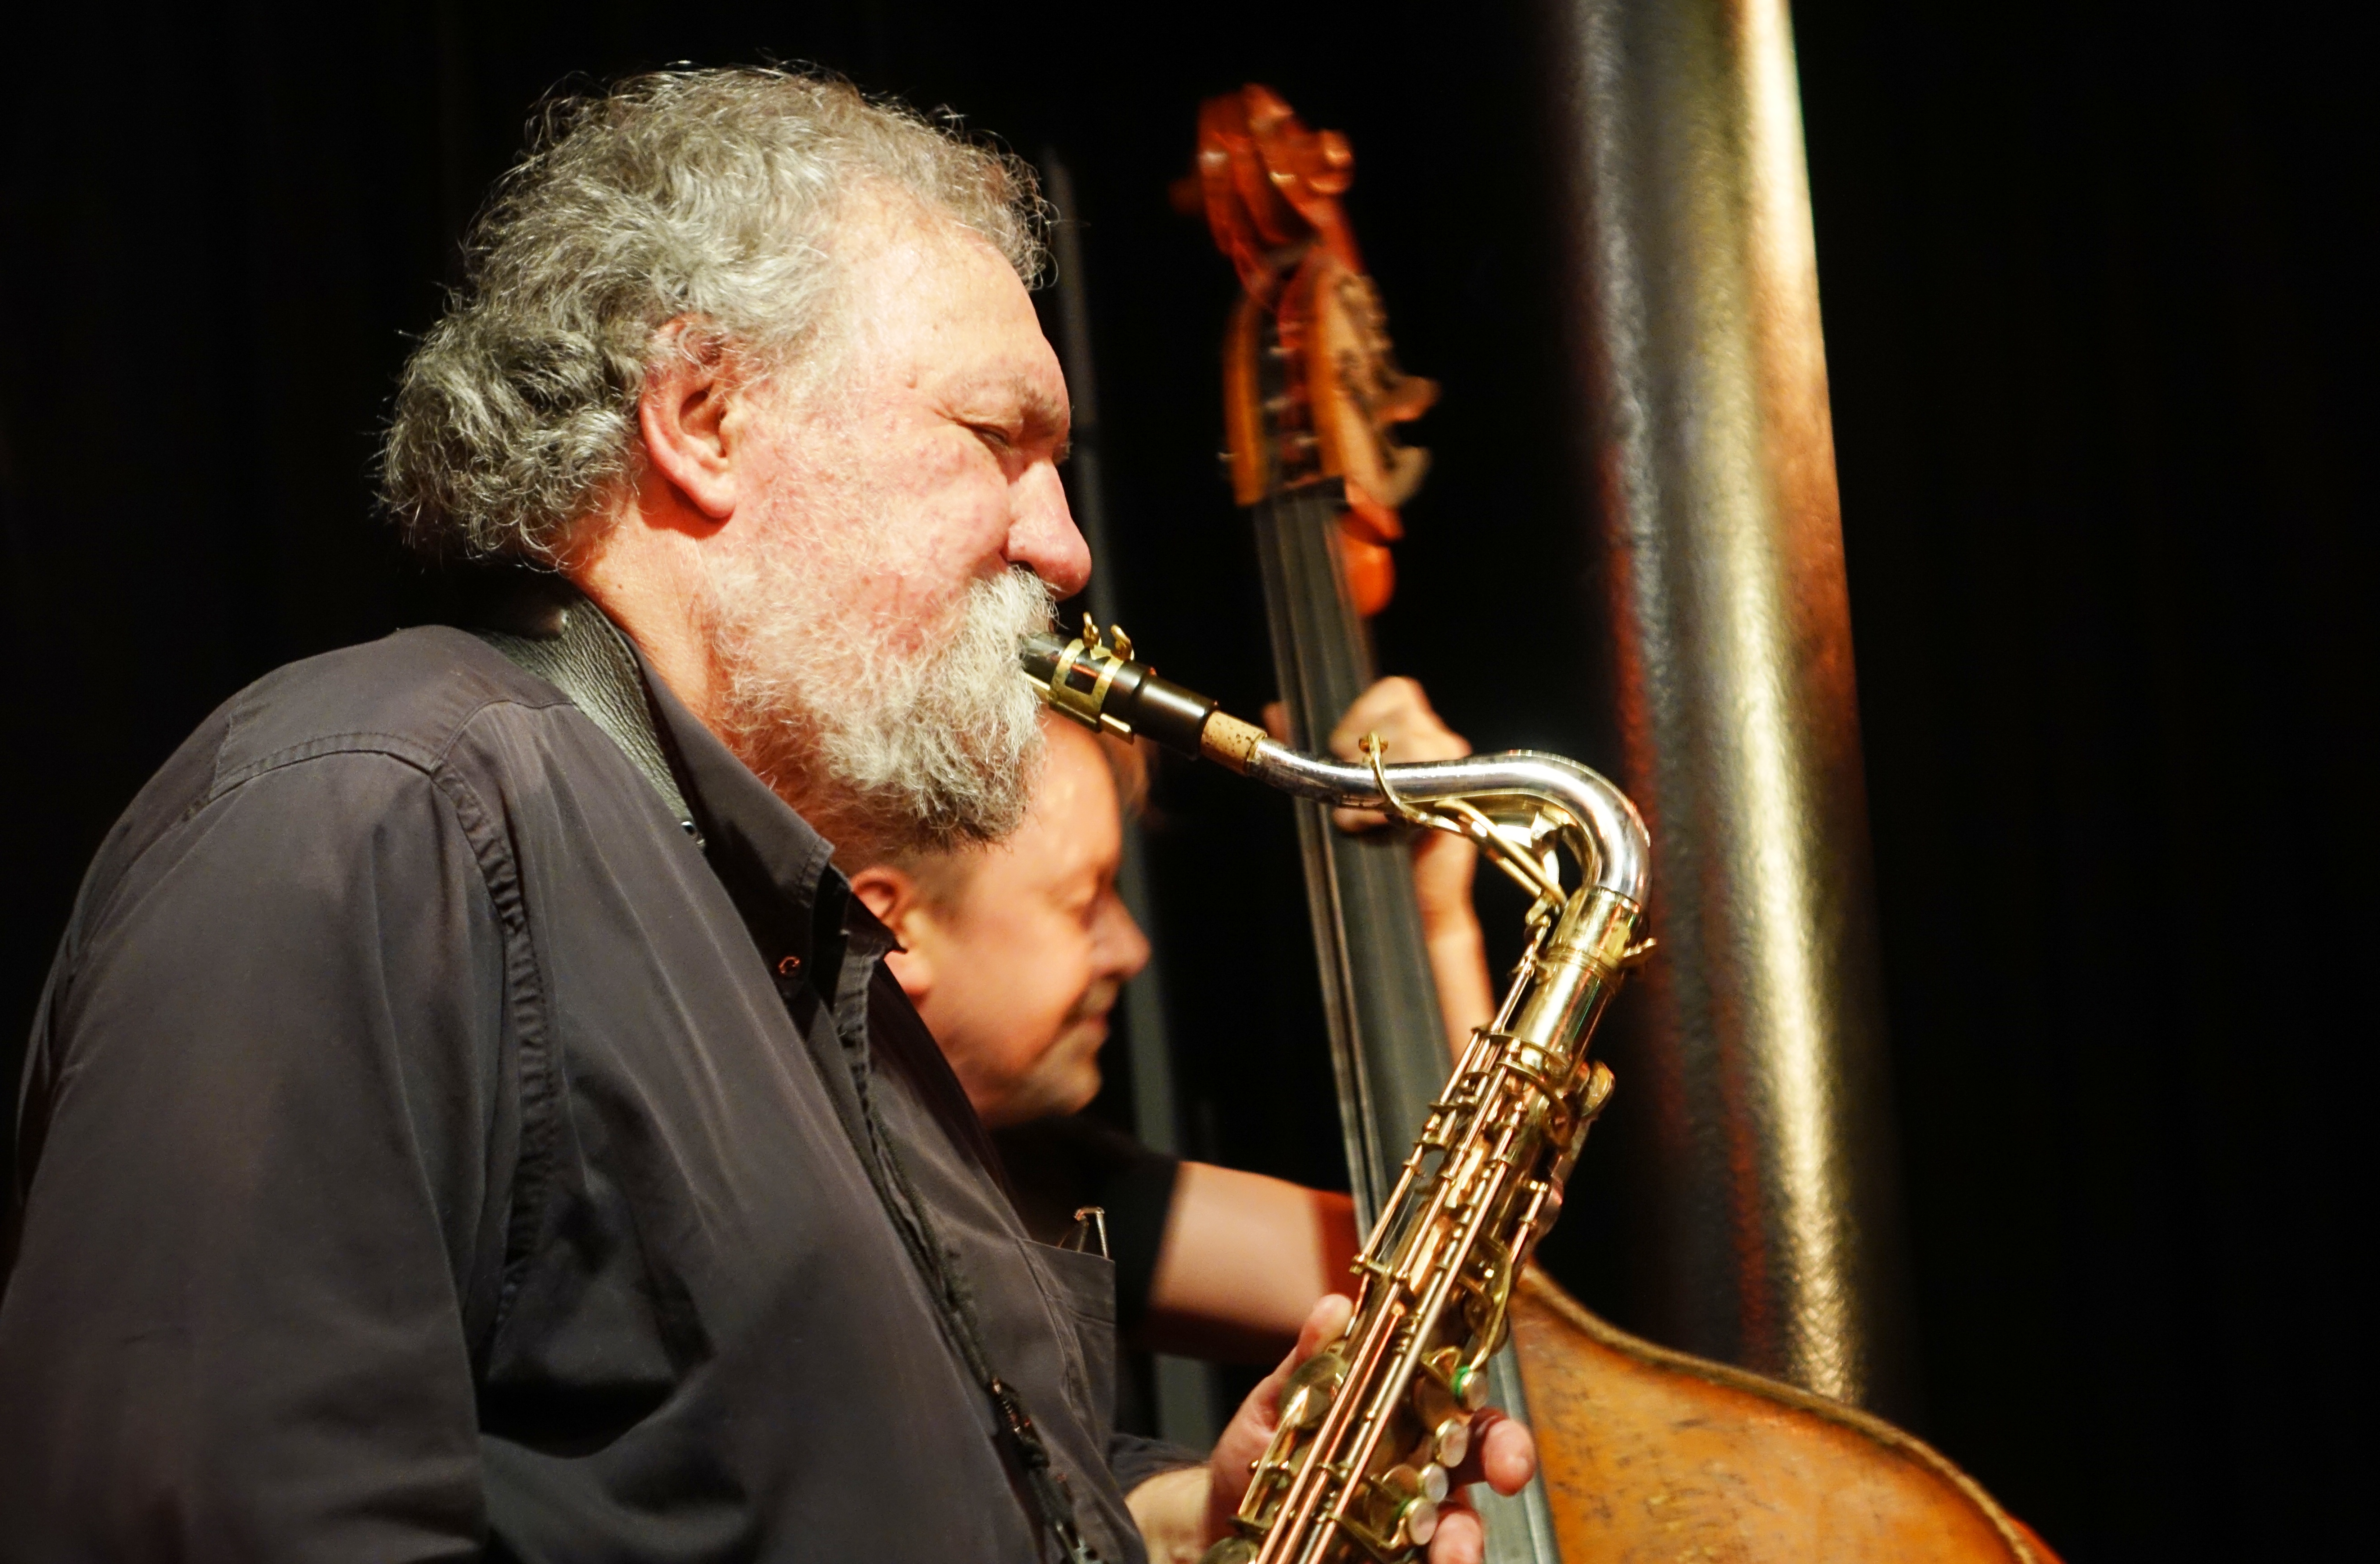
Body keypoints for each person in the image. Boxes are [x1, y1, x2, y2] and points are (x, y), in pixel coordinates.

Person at [0, 68, 1530, 1563]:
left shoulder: (774, 932)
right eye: (999, 439)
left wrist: (1192, 1517)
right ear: (703, 416)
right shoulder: (372, 811)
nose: (1060, 545)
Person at [851, 679, 1493, 1366]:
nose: (1132, 951)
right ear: (894, 929)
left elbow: (1442, 1272)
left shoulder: (1039, 1177)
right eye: (1082, 902)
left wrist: (1438, 926)